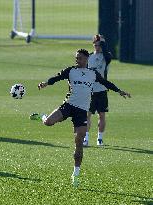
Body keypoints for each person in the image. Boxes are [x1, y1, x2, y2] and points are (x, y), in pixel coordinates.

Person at [30, 49, 131, 187]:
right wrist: (45, 83)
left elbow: (106, 83)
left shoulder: (93, 74)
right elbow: (57, 77)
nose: (78, 60)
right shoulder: (71, 71)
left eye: (81, 58)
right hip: (69, 105)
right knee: (48, 122)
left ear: (87, 59)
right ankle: (42, 116)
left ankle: (75, 174)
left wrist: (119, 91)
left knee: (79, 141)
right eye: (76, 58)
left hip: (82, 111)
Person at [83, 34, 112, 147]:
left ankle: (99, 138)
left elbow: (107, 55)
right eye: (95, 44)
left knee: (102, 115)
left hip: (102, 90)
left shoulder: (106, 56)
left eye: (99, 45)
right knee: (87, 115)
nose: (97, 47)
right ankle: (86, 138)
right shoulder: (89, 57)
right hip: (90, 91)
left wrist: (103, 43)